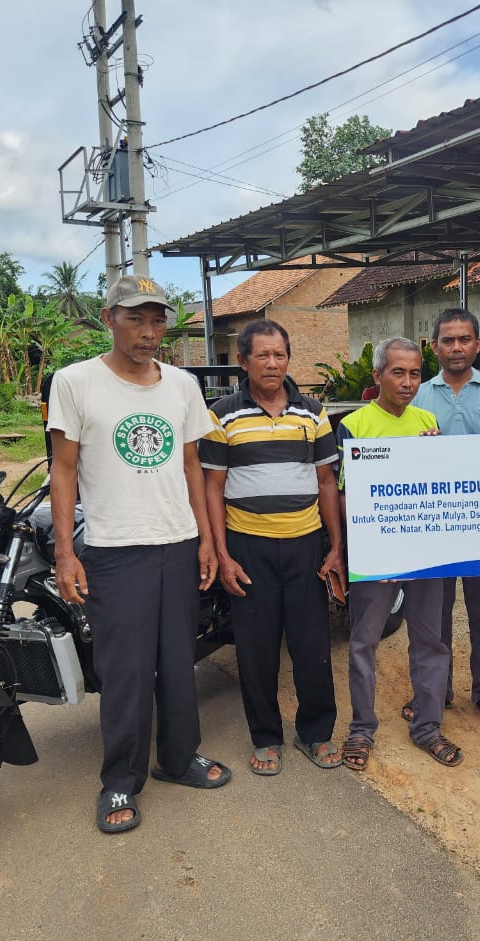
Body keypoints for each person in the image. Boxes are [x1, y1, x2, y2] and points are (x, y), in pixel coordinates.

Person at [48, 274, 230, 835]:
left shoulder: (182, 385)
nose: (148, 332)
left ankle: (177, 757)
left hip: (177, 542)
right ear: (109, 319)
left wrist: (205, 538)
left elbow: (191, 465)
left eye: (157, 321)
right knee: (126, 672)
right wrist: (64, 552)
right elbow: (63, 470)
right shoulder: (75, 382)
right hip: (115, 548)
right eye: (135, 319)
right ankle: (120, 780)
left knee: (178, 661)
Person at [200, 320, 344, 775]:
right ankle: (265, 737)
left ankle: (315, 732)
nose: (271, 363)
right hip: (248, 548)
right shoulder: (222, 415)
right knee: (256, 650)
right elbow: (212, 488)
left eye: (279, 354)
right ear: (243, 361)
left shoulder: (313, 413)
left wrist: (336, 547)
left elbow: (326, 481)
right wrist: (223, 554)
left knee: (312, 645)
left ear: (288, 358)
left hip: (305, 545)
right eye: (261, 355)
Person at [336, 337, 461, 771]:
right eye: (398, 373)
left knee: (430, 640)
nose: (408, 382)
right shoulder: (354, 425)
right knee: (363, 642)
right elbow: (345, 496)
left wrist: (437, 453)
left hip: (425, 553)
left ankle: (428, 726)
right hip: (376, 556)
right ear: (377, 376)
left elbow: (438, 486)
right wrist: (375, 548)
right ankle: (361, 728)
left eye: (414, 374)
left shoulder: (427, 421)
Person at [410, 307, 480, 728]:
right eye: (448, 340)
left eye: (464, 339)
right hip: (434, 526)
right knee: (432, 614)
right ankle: (436, 689)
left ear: (478, 344)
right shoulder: (417, 395)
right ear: (434, 346)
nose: (456, 347)